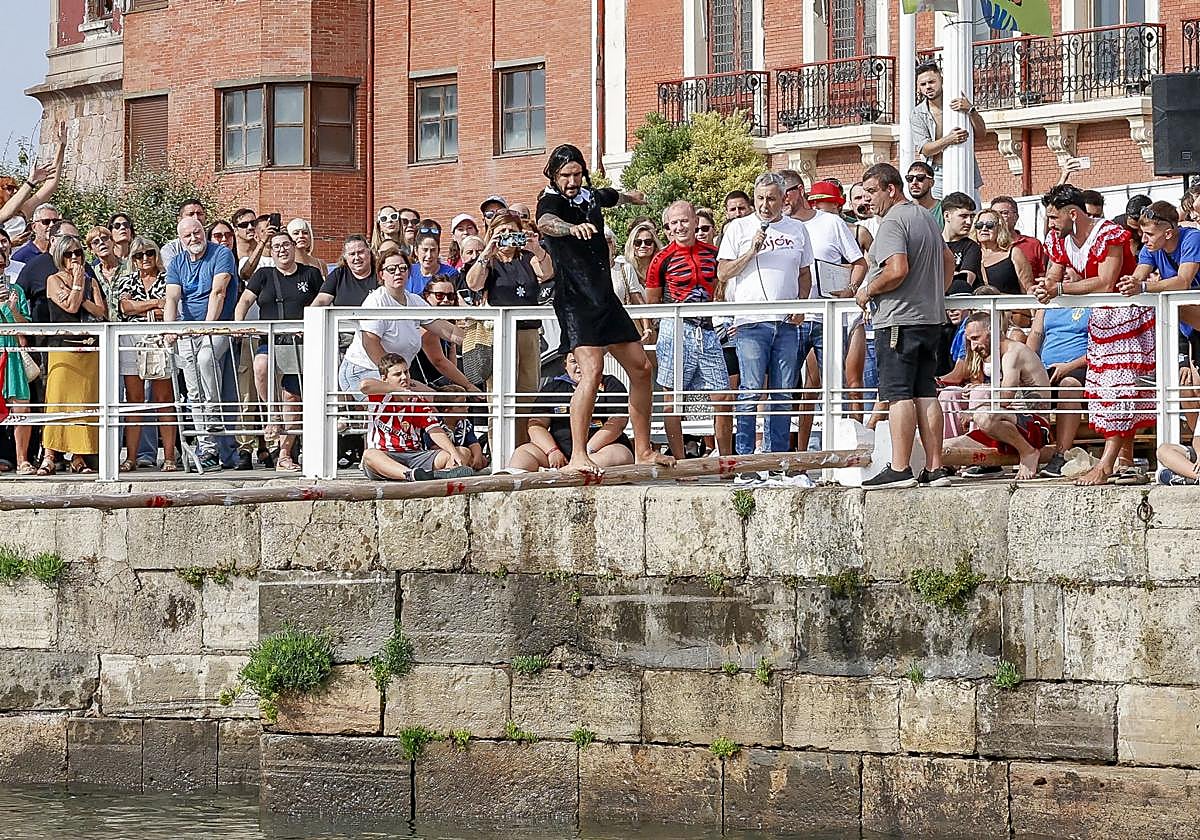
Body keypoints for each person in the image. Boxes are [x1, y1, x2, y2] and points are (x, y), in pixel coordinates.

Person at [535, 142, 674, 473]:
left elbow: (610, 195)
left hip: (604, 298)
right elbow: (546, 223)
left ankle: (643, 449)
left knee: (641, 368)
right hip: (575, 301)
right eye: (565, 175)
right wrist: (571, 229)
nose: (572, 181)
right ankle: (578, 456)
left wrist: (631, 197)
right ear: (554, 176)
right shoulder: (550, 201)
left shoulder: (590, 195)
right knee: (592, 370)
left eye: (577, 174)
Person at [1034, 184, 1148, 486]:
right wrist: (1044, 287)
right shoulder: (1060, 239)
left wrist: (1058, 289)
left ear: (1073, 214)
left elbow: (1107, 282)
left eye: (1054, 217)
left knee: (1119, 390)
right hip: (1100, 318)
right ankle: (1121, 461)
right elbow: (1053, 275)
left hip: (1127, 317)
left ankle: (1111, 463)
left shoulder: (1108, 233)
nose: (1050, 223)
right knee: (1107, 391)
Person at [855, 162, 955, 490]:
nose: (868, 199)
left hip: (899, 320)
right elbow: (948, 260)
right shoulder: (925, 216)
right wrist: (934, 294)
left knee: (898, 394)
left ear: (890, 189)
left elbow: (897, 269)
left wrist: (868, 288)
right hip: (929, 319)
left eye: (872, 191)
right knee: (926, 392)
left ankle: (900, 468)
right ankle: (935, 467)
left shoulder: (894, 220)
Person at [716, 171, 812, 465]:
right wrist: (751, 250)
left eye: (771, 198)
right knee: (751, 390)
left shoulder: (797, 229)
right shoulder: (738, 228)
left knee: (783, 392)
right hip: (750, 322)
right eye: (759, 198)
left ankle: (777, 458)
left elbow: (805, 272)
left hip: (785, 323)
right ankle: (746, 460)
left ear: (784, 199)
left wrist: (800, 304)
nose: (765, 205)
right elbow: (723, 273)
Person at [646, 200, 732, 459]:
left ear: (695, 221)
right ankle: (681, 464)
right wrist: (657, 330)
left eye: (685, 221)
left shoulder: (713, 253)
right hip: (676, 328)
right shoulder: (661, 259)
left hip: (706, 329)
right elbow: (653, 300)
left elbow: (720, 286)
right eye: (674, 223)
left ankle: (725, 460)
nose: (680, 227)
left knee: (722, 398)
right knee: (673, 400)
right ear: (668, 228)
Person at [234, 231, 323, 472]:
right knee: (260, 365)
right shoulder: (263, 275)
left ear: (294, 247)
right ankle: (272, 415)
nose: (282, 250)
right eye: (276, 247)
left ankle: (284, 454)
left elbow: (326, 301)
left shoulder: (311, 274)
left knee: (293, 398)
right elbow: (244, 301)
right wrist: (239, 325)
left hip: (301, 345)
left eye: (286, 245)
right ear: (270, 252)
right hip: (271, 341)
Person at [465, 209, 553, 445]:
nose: (507, 236)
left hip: (529, 332)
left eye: (512, 232)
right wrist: (486, 250)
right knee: (500, 395)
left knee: (527, 394)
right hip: (500, 335)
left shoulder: (527, 258)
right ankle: (499, 454)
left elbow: (547, 273)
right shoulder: (489, 261)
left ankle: (523, 450)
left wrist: (536, 247)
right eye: (501, 231)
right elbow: (473, 283)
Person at [794, 179, 867, 459]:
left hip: (844, 309)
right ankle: (805, 450)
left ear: (838, 204)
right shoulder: (801, 226)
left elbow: (863, 263)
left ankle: (856, 442)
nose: (819, 205)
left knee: (851, 380)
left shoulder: (852, 229)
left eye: (824, 201)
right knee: (812, 384)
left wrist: (850, 288)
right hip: (815, 310)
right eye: (815, 201)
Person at [164, 216, 237, 472]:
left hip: (218, 324)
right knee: (193, 389)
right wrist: (169, 329)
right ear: (181, 240)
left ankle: (214, 416)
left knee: (206, 359)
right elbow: (172, 298)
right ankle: (207, 447)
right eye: (188, 236)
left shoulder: (221, 254)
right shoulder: (177, 262)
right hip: (188, 329)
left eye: (197, 233)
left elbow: (219, 292)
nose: (194, 238)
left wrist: (206, 326)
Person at [337, 251, 461, 396]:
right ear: (381, 274)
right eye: (391, 269)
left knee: (432, 400)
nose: (398, 272)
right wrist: (392, 376)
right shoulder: (376, 301)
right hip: (364, 372)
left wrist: (481, 339)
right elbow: (370, 343)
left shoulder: (415, 301)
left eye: (403, 268)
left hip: (398, 376)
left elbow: (449, 331)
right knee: (404, 407)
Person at [952, 312, 1052, 480]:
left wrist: (973, 412)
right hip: (1009, 425)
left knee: (983, 416)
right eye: (970, 340)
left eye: (976, 338)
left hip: (1036, 427)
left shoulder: (1013, 353)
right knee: (946, 446)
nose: (973, 346)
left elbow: (1004, 398)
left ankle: (1028, 452)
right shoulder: (999, 356)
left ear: (992, 331)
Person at [40, 234, 107, 476]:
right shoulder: (53, 280)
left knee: (84, 402)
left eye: (78, 253)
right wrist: (78, 287)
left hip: (89, 350)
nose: (74, 258)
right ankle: (49, 455)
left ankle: (79, 456)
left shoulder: (91, 281)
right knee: (58, 401)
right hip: (63, 349)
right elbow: (68, 306)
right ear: (60, 257)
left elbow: (101, 311)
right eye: (68, 254)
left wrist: (82, 297)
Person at [506, 350, 634, 472]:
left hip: (599, 451)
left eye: (584, 360)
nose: (579, 366)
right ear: (565, 365)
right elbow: (535, 425)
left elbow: (618, 421)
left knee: (620, 455)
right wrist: (552, 451)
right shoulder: (552, 388)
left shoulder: (610, 384)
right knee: (522, 453)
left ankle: (561, 475)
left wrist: (588, 450)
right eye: (574, 361)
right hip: (559, 455)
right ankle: (511, 487)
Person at [358, 353, 475, 481]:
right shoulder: (379, 396)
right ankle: (411, 475)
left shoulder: (418, 401)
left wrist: (453, 453)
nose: (404, 377)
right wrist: (396, 390)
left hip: (415, 455)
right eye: (397, 374)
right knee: (370, 455)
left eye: (406, 372)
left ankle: (433, 475)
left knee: (463, 452)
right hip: (385, 455)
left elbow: (434, 430)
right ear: (384, 379)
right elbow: (365, 385)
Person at [115, 236, 177, 473]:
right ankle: (131, 457)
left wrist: (144, 306)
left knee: (164, 400)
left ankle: (169, 457)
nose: (145, 259)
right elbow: (125, 307)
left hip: (160, 340)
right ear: (132, 258)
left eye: (149, 253)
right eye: (139, 255)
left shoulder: (168, 277)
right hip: (132, 339)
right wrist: (155, 304)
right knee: (135, 402)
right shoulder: (127, 279)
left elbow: (170, 306)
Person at [1027, 304, 1089, 478]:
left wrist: (1068, 367)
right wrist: (1029, 367)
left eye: (1069, 273)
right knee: (1021, 387)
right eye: (1061, 274)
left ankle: (1062, 454)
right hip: (1046, 369)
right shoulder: (1047, 305)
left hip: (1080, 367)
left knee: (1069, 386)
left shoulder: (1092, 303)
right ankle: (1021, 452)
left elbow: (1099, 347)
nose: (1065, 276)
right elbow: (1035, 336)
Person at [911, 60, 985, 200]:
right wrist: (949, 139)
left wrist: (971, 110)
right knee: (940, 215)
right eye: (923, 84)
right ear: (918, 88)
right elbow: (925, 149)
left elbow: (981, 134)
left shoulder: (959, 103)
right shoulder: (917, 113)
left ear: (941, 79)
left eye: (931, 82)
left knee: (971, 212)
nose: (928, 87)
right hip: (936, 172)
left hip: (964, 164)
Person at [0, 246, 33, 474]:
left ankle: (22, 459)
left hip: (12, 352)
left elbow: (26, 328)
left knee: (21, 406)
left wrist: (11, 307)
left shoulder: (17, 290)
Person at [422, 384, 487, 471]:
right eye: (461, 406)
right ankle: (456, 470)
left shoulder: (465, 423)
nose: (467, 407)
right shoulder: (434, 423)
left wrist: (477, 456)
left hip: (462, 453)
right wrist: (456, 452)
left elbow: (473, 442)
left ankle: (465, 468)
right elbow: (432, 446)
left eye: (466, 403)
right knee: (464, 452)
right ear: (447, 410)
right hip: (441, 455)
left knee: (482, 459)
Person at [975, 209, 1033, 295]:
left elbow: (1028, 291)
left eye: (990, 225)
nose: (984, 228)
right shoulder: (971, 254)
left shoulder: (1014, 253)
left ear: (999, 227)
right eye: (979, 225)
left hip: (1010, 307)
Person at [989, 196, 1046, 280]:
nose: (999, 218)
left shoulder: (1033, 244)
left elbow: (1042, 275)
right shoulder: (986, 246)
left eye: (1004, 213)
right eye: (995, 214)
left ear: (1016, 217)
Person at [314, 235, 379, 307]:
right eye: (352, 254)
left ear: (369, 252)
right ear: (345, 257)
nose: (357, 257)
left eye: (360, 252)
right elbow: (321, 301)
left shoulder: (380, 273)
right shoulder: (338, 275)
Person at [942, 192, 982, 295]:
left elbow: (964, 282)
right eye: (963, 216)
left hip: (959, 304)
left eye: (971, 216)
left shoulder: (972, 247)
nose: (969, 222)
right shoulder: (933, 243)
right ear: (947, 216)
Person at [85, 226, 125, 321]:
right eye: (95, 242)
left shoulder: (131, 266)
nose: (101, 243)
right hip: (102, 327)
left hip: (128, 326)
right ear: (91, 249)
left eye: (104, 238)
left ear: (113, 241)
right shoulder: (91, 273)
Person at [160, 199, 209, 265]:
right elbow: (175, 273)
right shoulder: (170, 250)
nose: (196, 218)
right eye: (191, 214)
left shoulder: (215, 245)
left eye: (199, 214)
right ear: (179, 219)